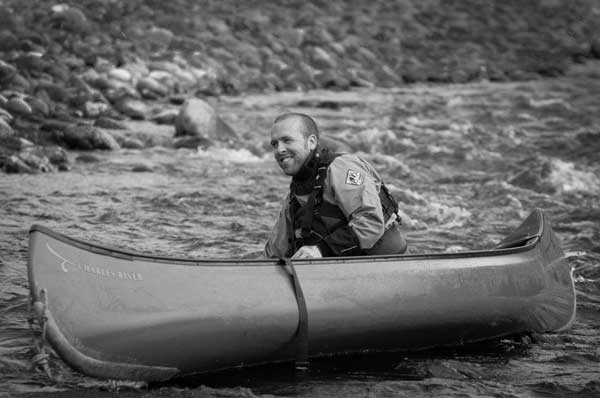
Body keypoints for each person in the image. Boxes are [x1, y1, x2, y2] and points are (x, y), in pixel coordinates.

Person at [265, 112, 407, 259]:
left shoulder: (341, 169)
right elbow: (276, 250)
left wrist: (321, 250)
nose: (279, 149)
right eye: (274, 144)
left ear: (311, 142)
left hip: (387, 264)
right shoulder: (294, 196)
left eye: (287, 140)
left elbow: (370, 221)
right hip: (340, 272)